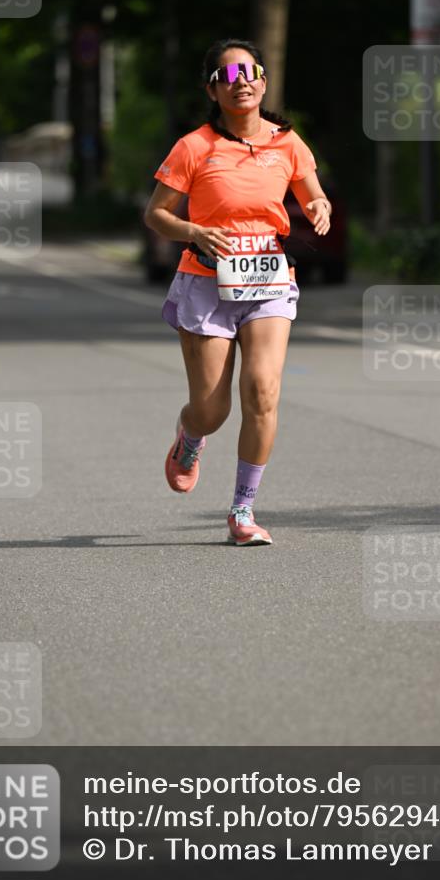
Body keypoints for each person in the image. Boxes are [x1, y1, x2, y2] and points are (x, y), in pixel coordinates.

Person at [144, 38, 332, 546]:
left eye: (249, 72)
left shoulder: (288, 143)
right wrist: (196, 232)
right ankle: (190, 438)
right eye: (228, 76)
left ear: (263, 81)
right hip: (206, 282)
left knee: (263, 392)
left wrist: (319, 209)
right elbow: (156, 215)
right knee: (213, 410)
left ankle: (243, 511)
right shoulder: (194, 147)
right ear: (213, 89)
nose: (241, 82)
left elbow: (314, 195)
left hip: (269, 280)